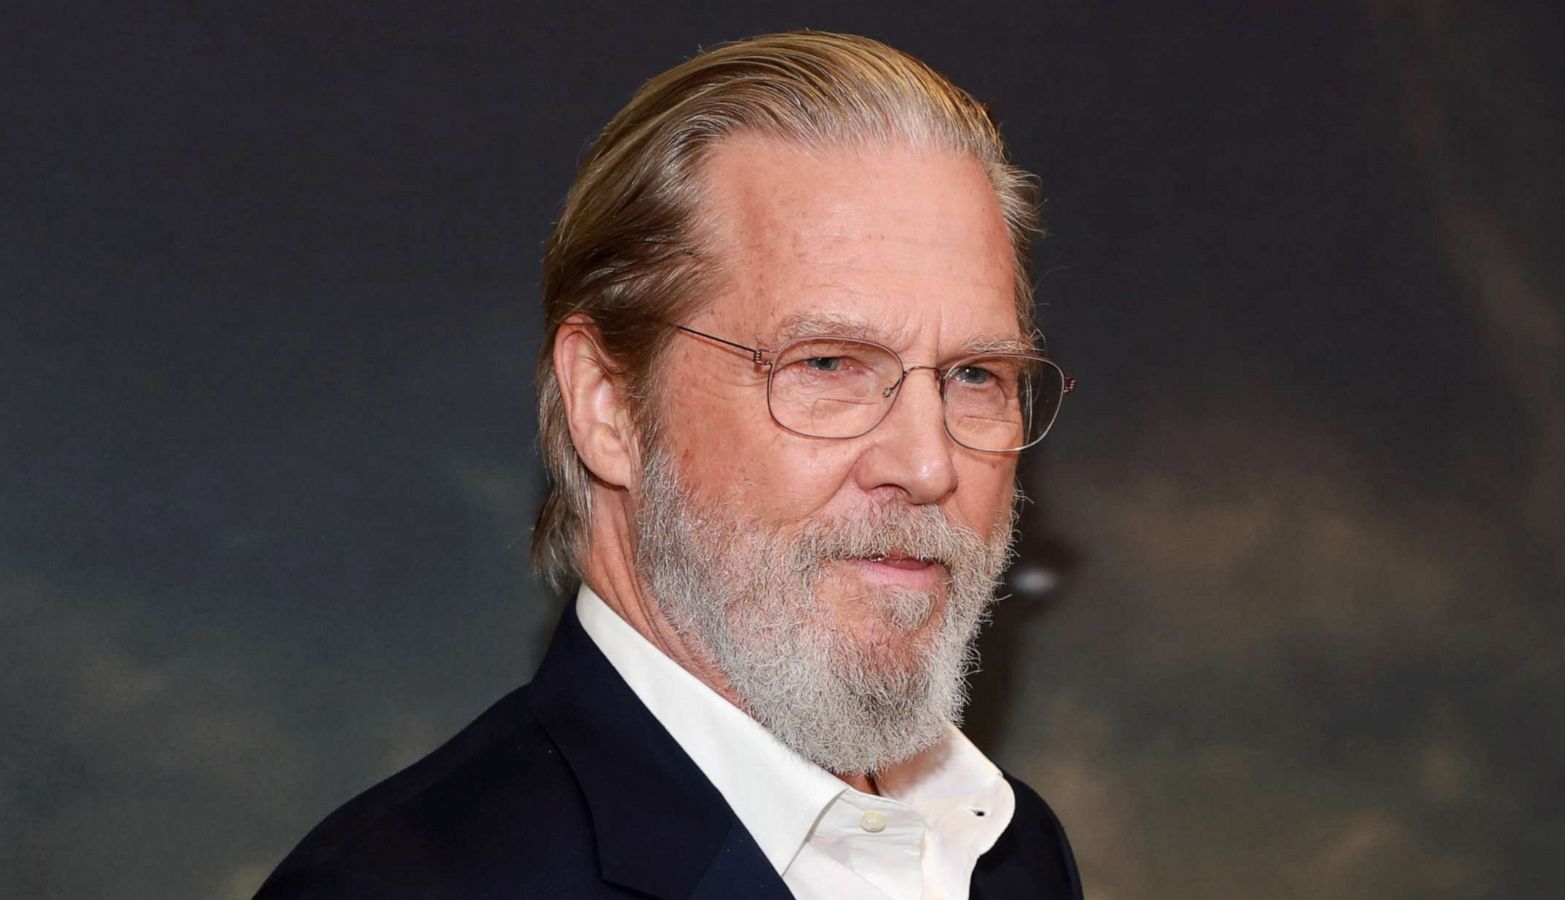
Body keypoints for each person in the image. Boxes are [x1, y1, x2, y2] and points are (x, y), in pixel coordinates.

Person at [258, 30, 1082, 900]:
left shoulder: (1009, 851)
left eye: (976, 375)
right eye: (827, 365)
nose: (928, 464)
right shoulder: (394, 888)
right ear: (607, 404)